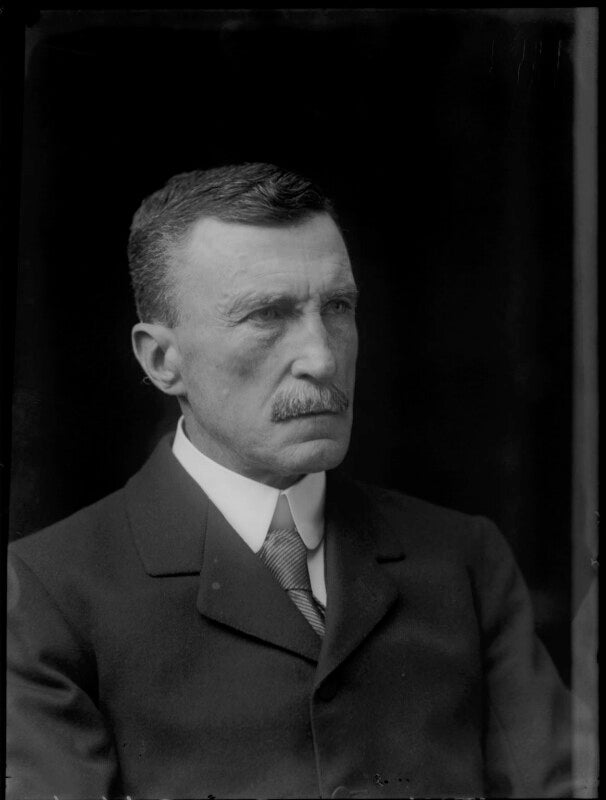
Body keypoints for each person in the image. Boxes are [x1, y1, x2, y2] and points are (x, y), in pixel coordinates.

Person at [6, 163, 571, 799]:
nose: (323, 358)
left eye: (338, 307)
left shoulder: (464, 560)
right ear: (163, 360)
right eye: (268, 315)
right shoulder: (44, 595)